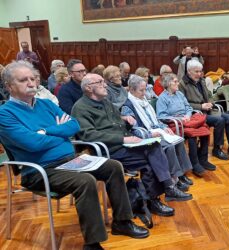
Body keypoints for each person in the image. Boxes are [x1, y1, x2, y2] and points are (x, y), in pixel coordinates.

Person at [0, 61, 149, 250]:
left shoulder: (45, 104)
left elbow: (73, 126)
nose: (31, 83)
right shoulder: (5, 114)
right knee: (85, 180)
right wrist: (59, 132)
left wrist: (44, 132)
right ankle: (92, 244)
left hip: (69, 160)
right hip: (40, 171)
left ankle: (122, 221)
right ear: (9, 86)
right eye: (23, 80)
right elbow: (31, 144)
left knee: (113, 166)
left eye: (32, 78)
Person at [71, 73, 192, 214]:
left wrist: (125, 120)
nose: (105, 85)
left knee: (154, 147)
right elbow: (88, 135)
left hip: (124, 145)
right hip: (107, 149)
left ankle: (158, 196)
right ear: (88, 88)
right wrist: (123, 139)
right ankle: (163, 192)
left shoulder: (106, 102)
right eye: (100, 82)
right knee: (151, 159)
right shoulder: (80, 108)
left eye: (103, 81)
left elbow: (116, 124)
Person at [121, 74, 193, 188]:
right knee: (169, 146)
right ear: (131, 90)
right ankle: (175, 179)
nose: (144, 93)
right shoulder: (128, 105)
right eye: (141, 90)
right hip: (144, 136)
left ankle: (182, 174)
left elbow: (155, 121)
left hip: (155, 130)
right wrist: (150, 133)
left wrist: (164, 127)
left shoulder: (143, 100)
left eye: (145, 89)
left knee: (178, 140)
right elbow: (133, 130)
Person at [179, 60, 229, 161]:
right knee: (220, 120)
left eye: (200, 71)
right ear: (189, 71)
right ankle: (217, 149)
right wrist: (201, 106)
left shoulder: (201, 80)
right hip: (195, 114)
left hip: (208, 110)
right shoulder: (182, 84)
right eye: (196, 71)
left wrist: (211, 103)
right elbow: (183, 104)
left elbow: (210, 95)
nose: (199, 74)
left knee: (228, 117)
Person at [157, 73, 215, 177]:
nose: (178, 83)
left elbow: (188, 108)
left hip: (187, 120)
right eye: (175, 81)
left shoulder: (179, 94)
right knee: (191, 135)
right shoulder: (162, 98)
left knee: (205, 130)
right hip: (175, 124)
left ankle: (203, 159)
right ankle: (195, 163)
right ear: (169, 83)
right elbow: (161, 116)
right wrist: (180, 119)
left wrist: (188, 116)